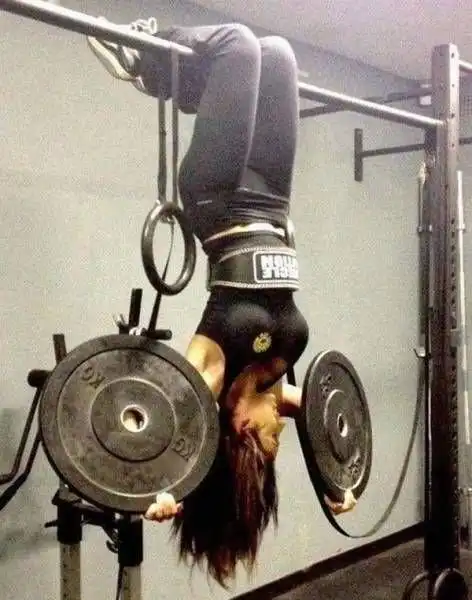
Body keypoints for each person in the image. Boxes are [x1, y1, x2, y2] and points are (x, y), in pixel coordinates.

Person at [87, 19, 356, 587]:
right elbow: (326, 423)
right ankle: (206, 85)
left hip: (218, 199)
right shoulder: (277, 389)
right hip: (272, 205)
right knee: (279, 53)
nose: (278, 431)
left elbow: (164, 428)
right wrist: (338, 485)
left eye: (265, 438)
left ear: (236, 428)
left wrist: (167, 495)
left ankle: (145, 62)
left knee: (238, 44)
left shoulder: (211, 373)